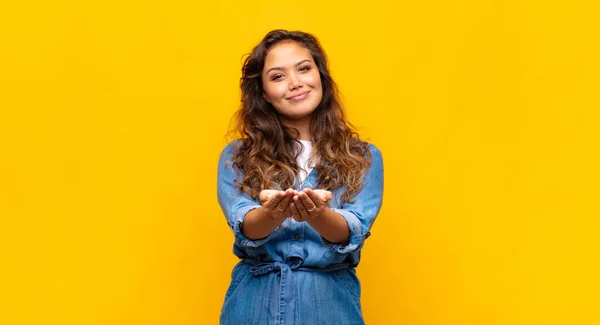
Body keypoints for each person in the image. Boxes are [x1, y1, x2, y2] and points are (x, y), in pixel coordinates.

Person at [217, 29, 384, 325]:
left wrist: (317, 215)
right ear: (264, 93)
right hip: (254, 307)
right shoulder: (238, 155)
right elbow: (245, 225)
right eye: (278, 76)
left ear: (320, 75)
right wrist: (271, 213)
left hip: (330, 307)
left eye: (304, 68)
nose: (295, 83)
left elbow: (351, 231)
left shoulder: (364, 156)